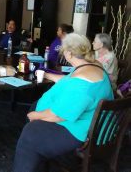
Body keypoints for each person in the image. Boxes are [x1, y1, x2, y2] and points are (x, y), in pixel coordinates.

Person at [13, 33, 113, 172]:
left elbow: (58, 116)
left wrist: (34, 116)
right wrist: (46, 74)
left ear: (69, 53)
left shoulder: (82, 84)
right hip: (89, 120)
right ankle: (37, 157)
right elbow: (67, 80)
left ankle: (30, 157)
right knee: (34, 107)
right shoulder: (92, 66)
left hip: (81, 130)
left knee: (30, 134)